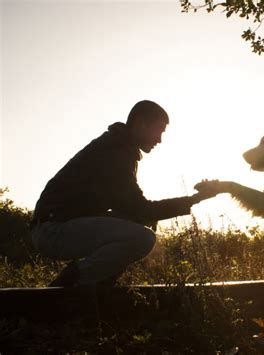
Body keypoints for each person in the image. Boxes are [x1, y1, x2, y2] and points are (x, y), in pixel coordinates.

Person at [31, 100, 216, 288]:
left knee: (135, 224)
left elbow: (133, 209)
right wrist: (195, 199)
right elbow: (141, 209)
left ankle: (98, 288)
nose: (159, 140)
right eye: (158, 130)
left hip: (58, 225)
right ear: (141, 123)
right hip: (53, 230)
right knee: (143, 238)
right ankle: (66, 286)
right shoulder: (115, 152)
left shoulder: (118, 146)